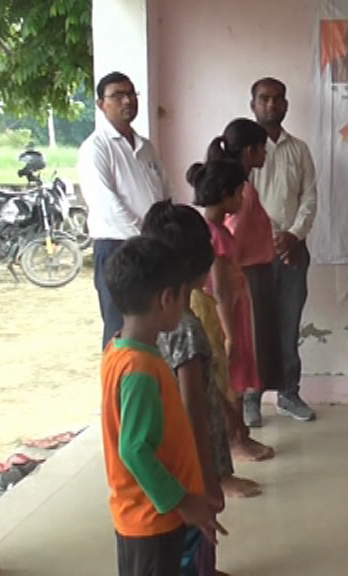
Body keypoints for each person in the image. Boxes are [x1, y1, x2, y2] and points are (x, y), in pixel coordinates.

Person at [101, 236, 225, 576]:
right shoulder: (140, 368)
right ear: (167, 299)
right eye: (183, 296)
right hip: (153, 519)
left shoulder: (118, 349)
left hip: (144, 514)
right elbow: (134, 449)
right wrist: (183, 501)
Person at [147, 201, 263, 505]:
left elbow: (202, 383)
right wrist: (208, 480)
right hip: (193, 462)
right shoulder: (186, 328)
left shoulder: (162, 321)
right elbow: (193, 409)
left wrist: (226, 409)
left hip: (187, 455)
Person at [190, 160, 275, 463]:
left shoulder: (213, 231)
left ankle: (241, 434)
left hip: (230, 312)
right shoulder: (216, 236)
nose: (242, 199)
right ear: (226, 194)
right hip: (224, 316)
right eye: (239, 193)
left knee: (234, 374)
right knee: (230, 375)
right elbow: (221, 289)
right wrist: (230, 335)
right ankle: (234, 438)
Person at [79, 71, 171, 350]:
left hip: (152, 247)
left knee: (151, 325)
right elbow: (108, 205)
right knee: (120, 327)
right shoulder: (96, 148)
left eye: (131, 94)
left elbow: (165, 194)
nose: (127, 101)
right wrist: (148, 237)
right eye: (117, 95)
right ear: (101, 104)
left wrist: (165, 233)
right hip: (117, 248)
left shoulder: (146, 147)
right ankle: (118, 379)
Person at [249, 78, 318, 422]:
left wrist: (293, 235)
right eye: (264, 99)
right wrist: (270, 237)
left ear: (286, 105)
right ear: (253, 105)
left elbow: (309, 197)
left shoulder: (299, 149)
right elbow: (240, 202)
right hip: (254, 254)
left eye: (277, 99)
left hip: (293, 251)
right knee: (253, 326)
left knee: (289, 325)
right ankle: (250, 398)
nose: (271, 105)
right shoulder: (244, 149)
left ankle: (289, 394)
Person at [208, 118, 281, 429]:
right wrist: (233, 279)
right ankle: (237, 431)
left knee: (249, 356)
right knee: (239, 356)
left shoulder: (242, 188)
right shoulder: (243, 193)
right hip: (242, 278)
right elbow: (229, 243)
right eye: (262, 148)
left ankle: (240, 432)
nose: (265, 154)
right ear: (250, 151)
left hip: (246, 276)